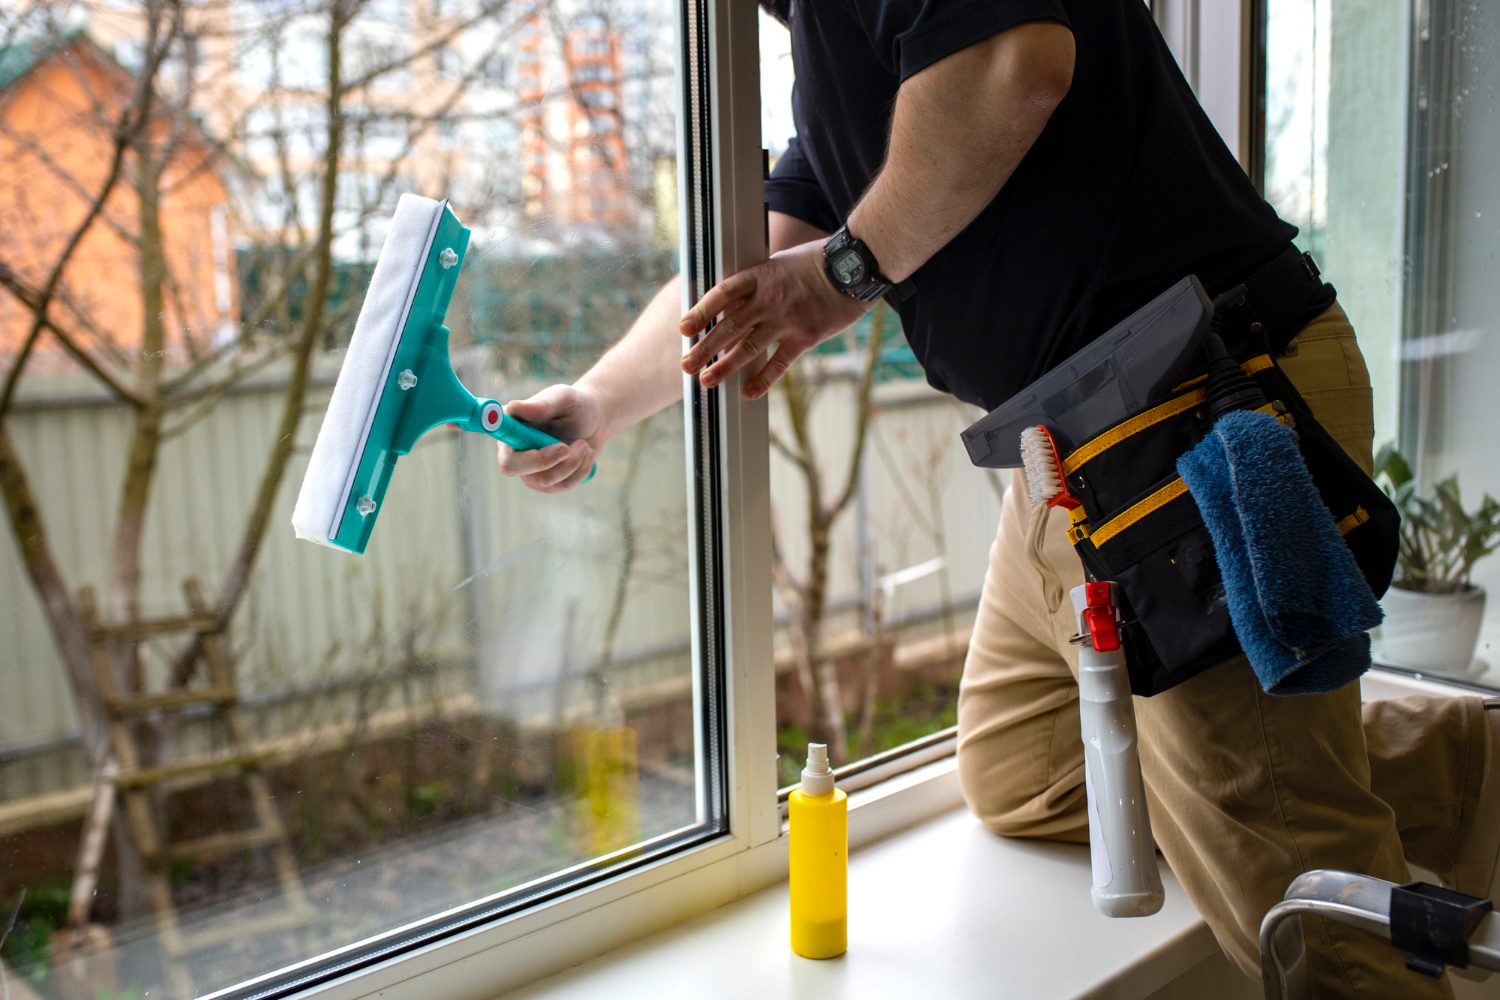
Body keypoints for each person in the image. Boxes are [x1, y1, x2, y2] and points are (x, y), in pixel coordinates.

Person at [495, 1, 1500, 995]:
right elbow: (758, 259)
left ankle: (1316, 796)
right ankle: (1470, 770)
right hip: (1074, 448)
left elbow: (1019, 66)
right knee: (1030, 765)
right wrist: (595, 403)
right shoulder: (832, 51)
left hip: (1201, 417)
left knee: (1299, 895)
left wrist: (846, 270)